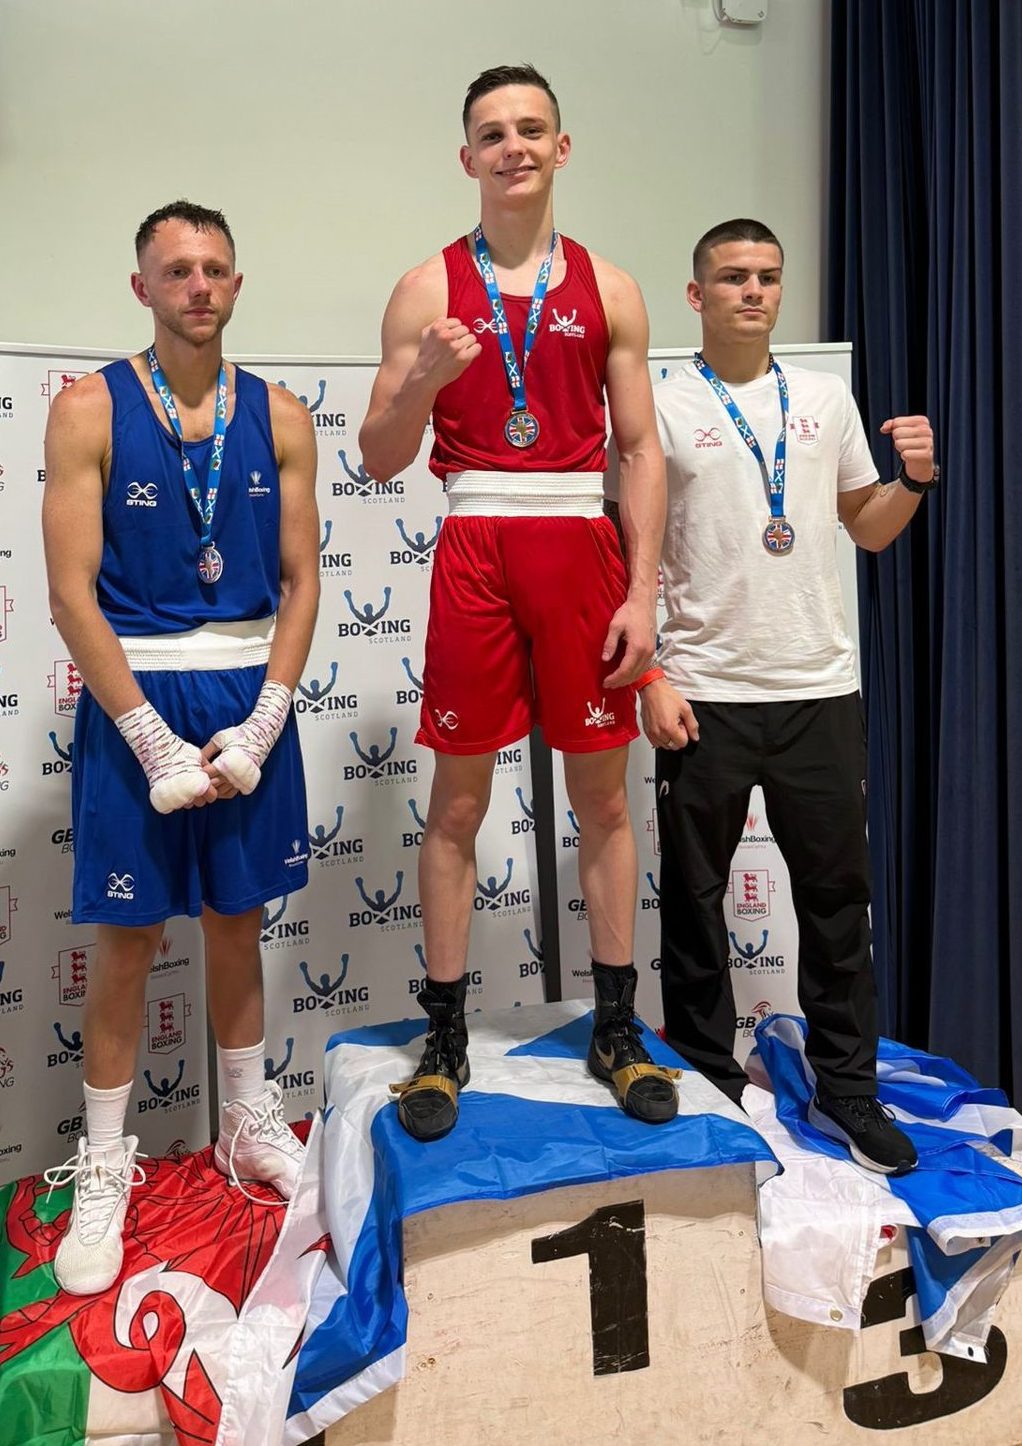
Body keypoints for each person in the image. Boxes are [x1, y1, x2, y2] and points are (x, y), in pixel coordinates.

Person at [359, 64, 679, 1141]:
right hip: (476, 541)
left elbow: (638, 448)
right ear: (467, 158)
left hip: (580, 547)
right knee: (456, 807)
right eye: (492, 133)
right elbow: (378, 453)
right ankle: (444, 1042)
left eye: (531, 129)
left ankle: (619, 1029)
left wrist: (642, 593)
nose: (514, 147)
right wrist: (421, 382)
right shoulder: (424, 287)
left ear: (562, 146)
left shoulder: (614, 287)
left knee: (605, 805)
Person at [41, 200, 320, 1293]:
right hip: (135, 699)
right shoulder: (86, 408)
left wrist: (264, 719)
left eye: (214, 269)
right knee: (124, 942)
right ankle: (105, 1163)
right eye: (176, 269)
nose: (197, 285)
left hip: (247, 690)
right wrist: (150, 737)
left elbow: (301, 582)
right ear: (142, 287)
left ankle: (249, 1123)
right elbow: (70, 593)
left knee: (237, 921)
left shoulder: (285, 414)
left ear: (237, 286)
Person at [640, 218, 938, 1175]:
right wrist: (649, 675)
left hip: (819, 689)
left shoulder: (823, 397)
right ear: (697, 295)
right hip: (704, 692)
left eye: (767, 276)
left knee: (837, 906)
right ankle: (707, 1079)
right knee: (694, 904)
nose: (753, 292)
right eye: (732, 277)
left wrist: (917, 480)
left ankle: (850, 1087)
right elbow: (627, 549)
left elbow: (871, 527)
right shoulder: (656, 403)